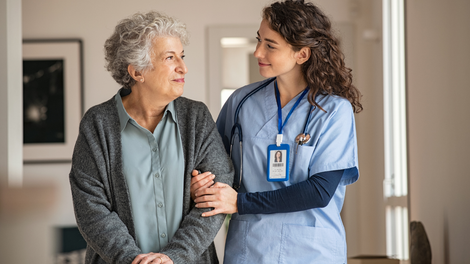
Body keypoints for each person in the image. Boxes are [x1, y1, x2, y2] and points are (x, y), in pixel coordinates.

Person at [191, 0, 362, 263]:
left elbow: (319, 191)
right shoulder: (241, 103)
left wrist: (240, 203)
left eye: (270, 45)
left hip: (312, 252)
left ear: (302, 54)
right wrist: (201, 183)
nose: (257, 52)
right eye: (259, 40)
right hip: (250, 249)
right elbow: (212, 166)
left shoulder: (334, 111)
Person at [69, 11, 234, 264]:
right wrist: (133, 259)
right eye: (170, 57)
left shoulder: (196, 117)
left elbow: (216, 196)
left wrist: (174, 257)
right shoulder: (97, 124)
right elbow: (91, 209)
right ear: (137, 72)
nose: (183, 67)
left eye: (182, 56)